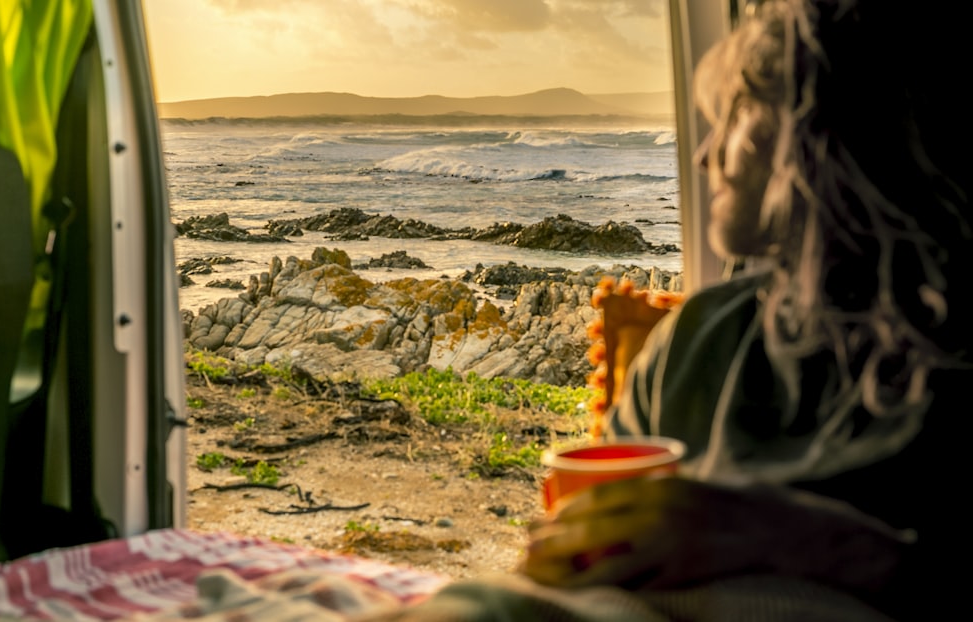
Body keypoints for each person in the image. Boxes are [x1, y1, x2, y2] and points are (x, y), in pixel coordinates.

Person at [358, 0, 970, 620]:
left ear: (832, 136)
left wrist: (803, 542)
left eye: (736, 115)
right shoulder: (705, 334)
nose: (706, 155)